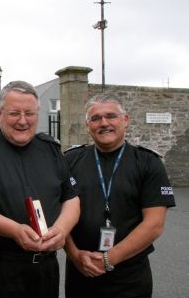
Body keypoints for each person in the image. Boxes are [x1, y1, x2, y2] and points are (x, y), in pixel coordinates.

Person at [0, 80, 80, 298]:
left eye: (29, 113)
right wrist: (14, 230)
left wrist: (61, 229)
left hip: (44, 270)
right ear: (0, 113)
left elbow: (71, 198)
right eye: (14, 113)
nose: (23, 121)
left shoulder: (50, 149)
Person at [63, 93, 176, 298]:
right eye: (96, 118)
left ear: (125, 120)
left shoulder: (148, 162)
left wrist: (109, 259)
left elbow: (154, 224)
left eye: (111, 116)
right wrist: (74, 254)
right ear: (88, 125)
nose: (104, 123)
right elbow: (59, 215)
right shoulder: (70, 161)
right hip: (81, 271)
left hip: (129, 275)